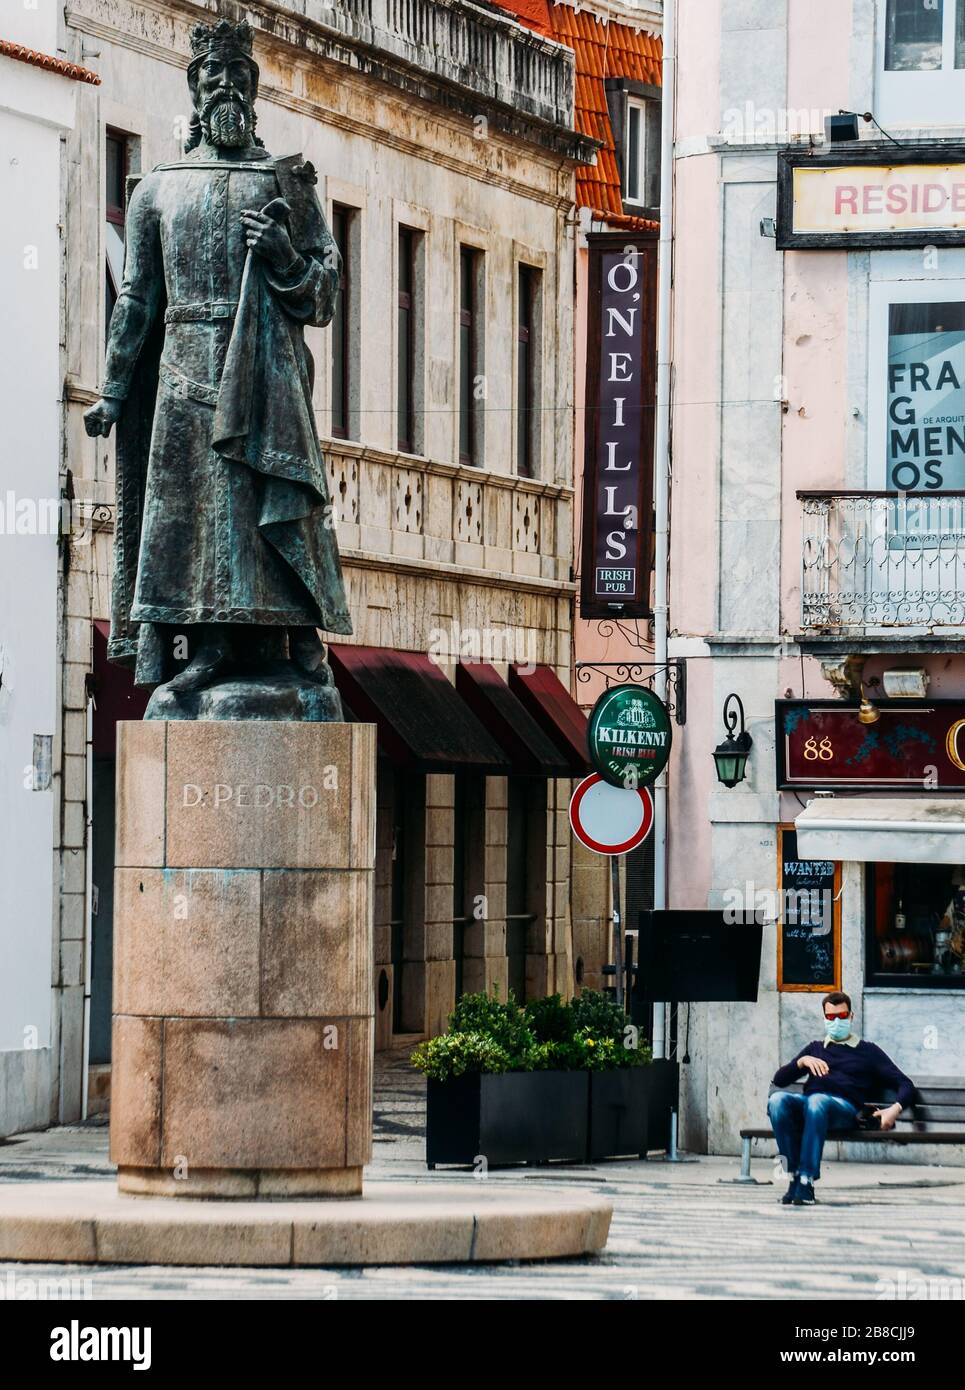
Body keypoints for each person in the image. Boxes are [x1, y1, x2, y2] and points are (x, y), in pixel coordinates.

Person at [768, 990, 916, 1207]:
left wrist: (894, 1109)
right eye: (830, 1017)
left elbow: (905, 1084)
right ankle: (794, 1176)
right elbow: (779, 1080)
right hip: (810, 1107)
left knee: (817, 1100)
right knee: (777, 1100)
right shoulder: (815, 1049)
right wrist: (802, 1062)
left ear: (851, 1016)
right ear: (824, 1018)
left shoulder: (868, 1051)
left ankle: (807, 1180)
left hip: (843, 1110)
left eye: (842, 1016)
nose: (836, 1021)